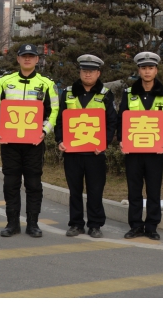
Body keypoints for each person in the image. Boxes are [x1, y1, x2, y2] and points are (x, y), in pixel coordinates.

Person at [0, 43, 58, 238]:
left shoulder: (46, 83)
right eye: (24, 56)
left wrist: (44, 131)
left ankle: (33, 224)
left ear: (37, 59)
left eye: (31, 56)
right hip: (9, 143)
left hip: (34, 143)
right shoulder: (5, 81)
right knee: (10, 184)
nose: (27, 59)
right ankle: (12, 224)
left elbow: (54, 111)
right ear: (18, 59)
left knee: (33, 184)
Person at [55, 54, 117, 239]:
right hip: (72, 152)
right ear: (80, 72)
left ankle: (95, 225)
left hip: (95, 153)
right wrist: (60, 140)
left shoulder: (105, 94)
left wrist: (104, 143)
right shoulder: (67, 93)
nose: (87, 74)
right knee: (74, 190)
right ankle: (76, 224)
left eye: (91, 71)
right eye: (84, 70)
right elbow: (59, 120)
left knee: (95, 190)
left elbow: (112, 122)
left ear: (98, 73)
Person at [118, 51, 163, 241]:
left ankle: (152, 227)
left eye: (150, 68)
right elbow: (121, 120)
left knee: (154, 190)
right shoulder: (128, 94)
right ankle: (135, 226)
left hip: (155, 152)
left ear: (156, 70)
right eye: (143, 68)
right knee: (134, 190)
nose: (147, 71)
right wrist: (121, 140)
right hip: (133, 151)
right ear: (139, 71)